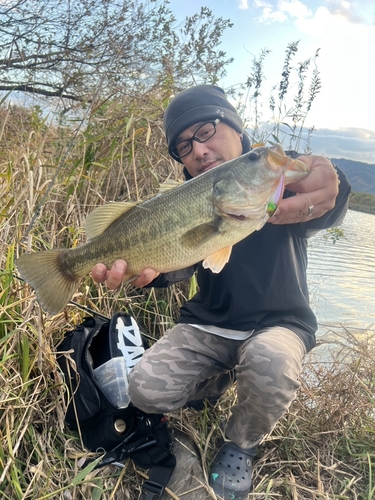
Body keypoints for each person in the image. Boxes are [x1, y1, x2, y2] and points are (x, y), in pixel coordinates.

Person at [91, 85, 351, 500]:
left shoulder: (280, 184)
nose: (198, 149)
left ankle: (240, 445)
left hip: (279, 324)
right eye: (183, 145)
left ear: (236, 128)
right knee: (145, 391)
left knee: (270, 361)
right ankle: (216, 380)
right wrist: (145, 271)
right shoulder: (181, 201)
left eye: (207, 130)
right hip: (209, 324)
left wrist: (334, 181)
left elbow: (327, 200)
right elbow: (179, 266)